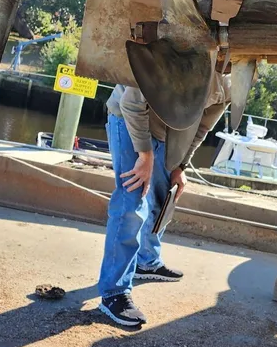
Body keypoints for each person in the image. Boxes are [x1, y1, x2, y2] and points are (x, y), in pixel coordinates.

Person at [98, 72, 230, 327]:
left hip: (169, 134)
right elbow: (131, 104)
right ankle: (113, 292)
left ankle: (147, 262)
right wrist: (145, 155)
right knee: (132, 204)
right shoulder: (171, 52)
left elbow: (202, 126)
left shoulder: (233, 82)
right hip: (129, 120)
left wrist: (181, 165)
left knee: (161, 199)